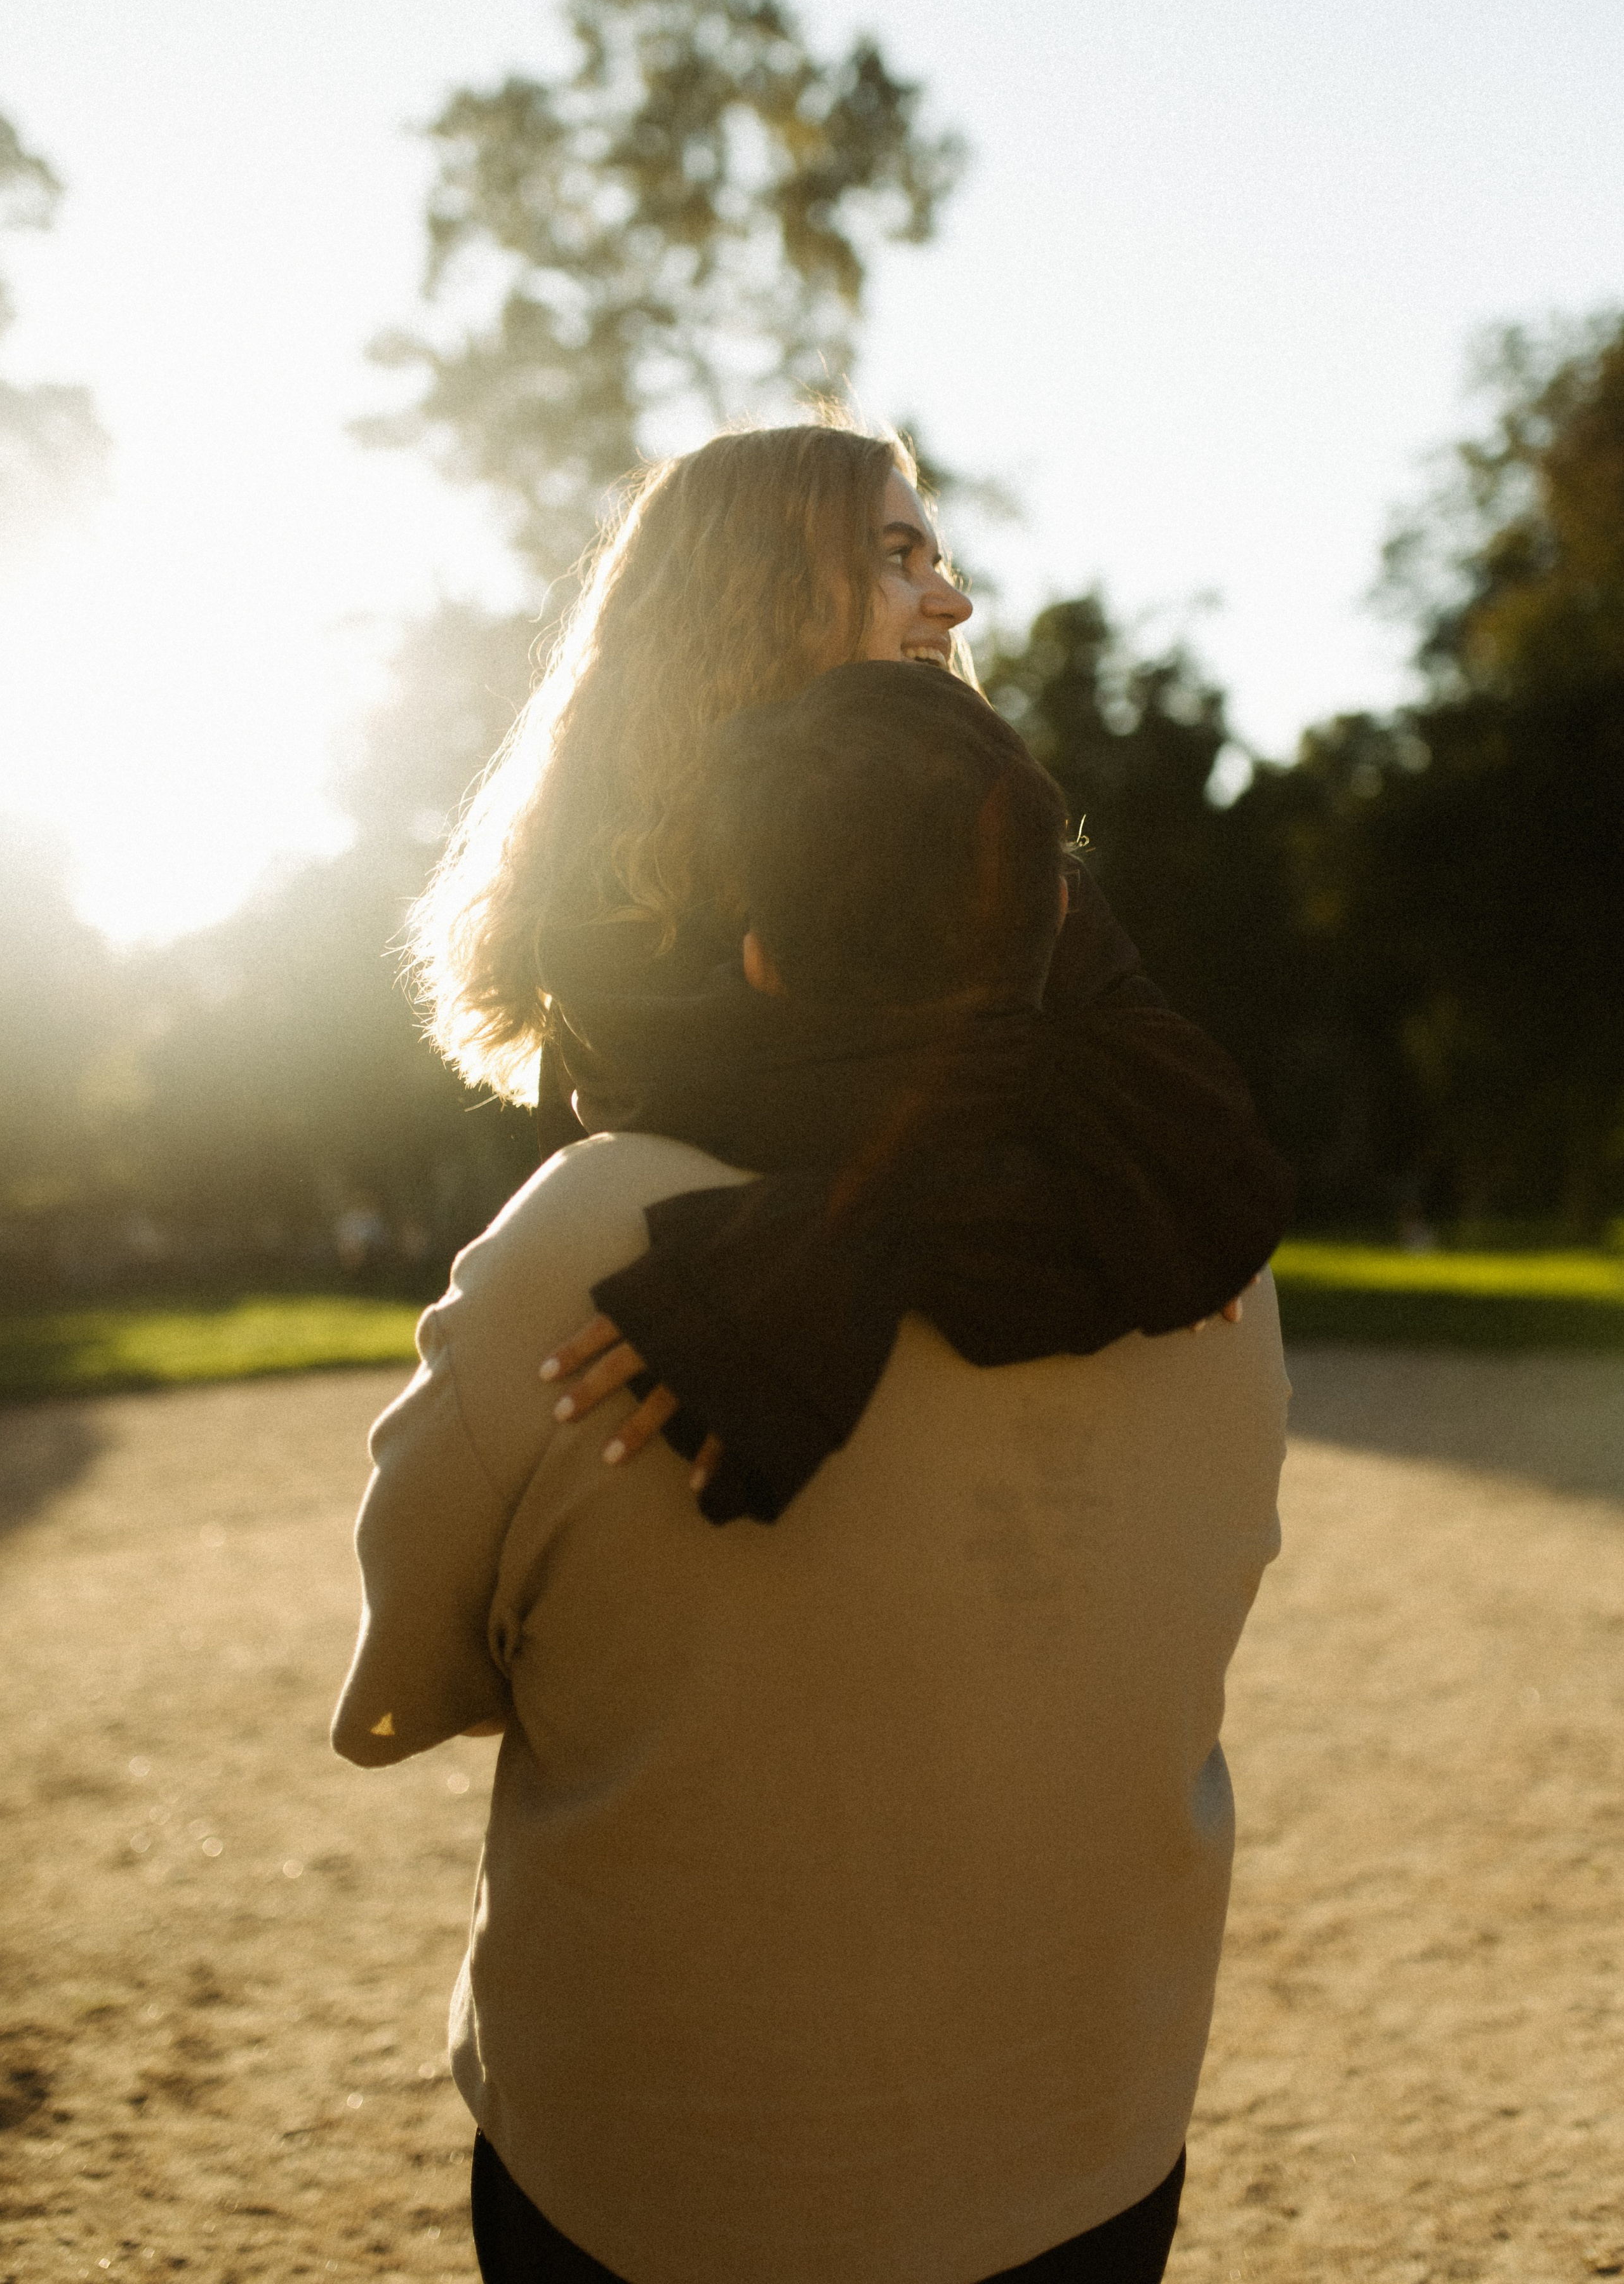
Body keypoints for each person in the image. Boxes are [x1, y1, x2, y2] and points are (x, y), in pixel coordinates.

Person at [333, 658, 1290, 2284]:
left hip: (656, 2182)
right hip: (1086, 2148)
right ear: (1054, 930)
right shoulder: (1193, 1234)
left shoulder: (596, 1245)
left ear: (761, 953)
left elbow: (406, 1691)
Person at [406, 420, 1292, 1478]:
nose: (954, 602)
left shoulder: (1017, 878)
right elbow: (1116, 1163)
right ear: (761, 588)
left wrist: (808, 1257)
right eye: (897, 557)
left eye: (941, 560)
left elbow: (1184, 1151)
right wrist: (1113, 1183)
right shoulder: (611, 954)